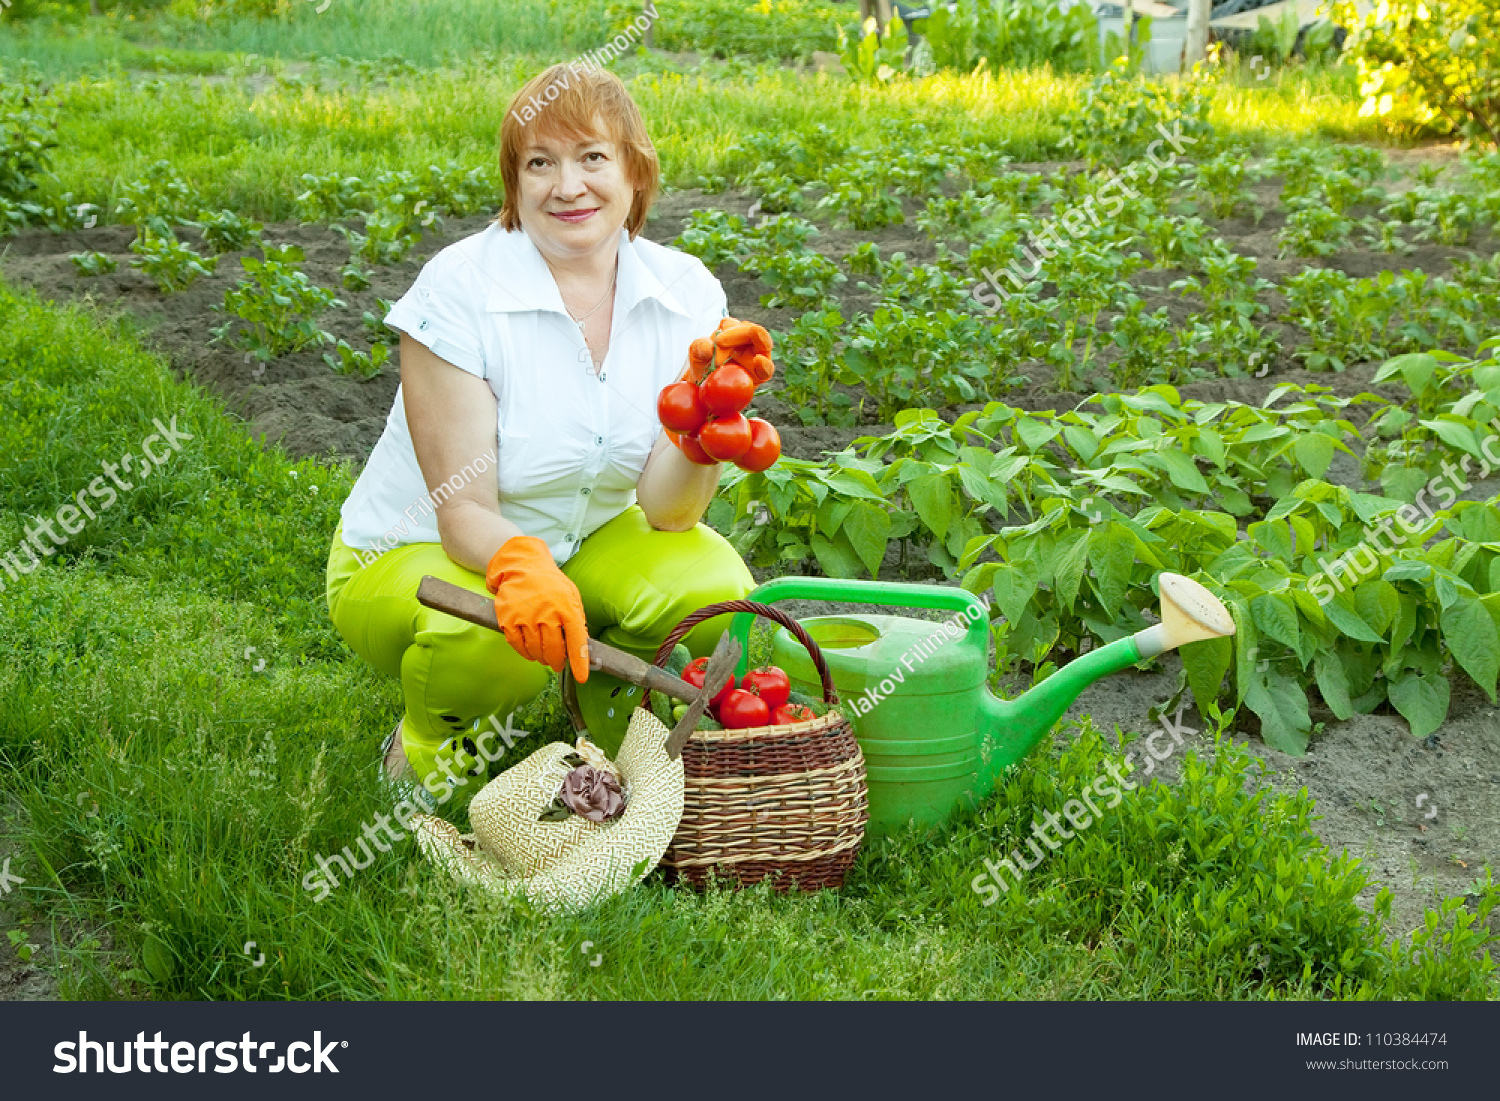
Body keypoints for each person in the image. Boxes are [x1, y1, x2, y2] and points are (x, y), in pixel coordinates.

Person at [325, 62, 760, 807]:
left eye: (593, 157)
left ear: (635, 172)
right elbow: (462, 511)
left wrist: (703, 435)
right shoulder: (459, 290)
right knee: (493, 634)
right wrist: (524, 564)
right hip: (414, 550)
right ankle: (426, 751)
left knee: (714, 589)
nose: (568, 186)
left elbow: (667, 512)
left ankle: (611, 729)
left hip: (583, 535)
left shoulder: (685, 291)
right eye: (540, 163)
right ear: (514, 183)